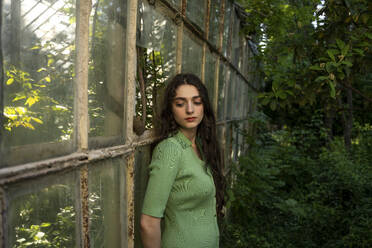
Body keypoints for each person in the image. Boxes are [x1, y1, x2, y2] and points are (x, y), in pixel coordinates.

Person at [140, 73, 225, 248]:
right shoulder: (170, 149)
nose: (190, 109)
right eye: (180, 103)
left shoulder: (200, 145)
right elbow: (148, 222)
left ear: (204, 106)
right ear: (171, 109)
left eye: (197, 102)